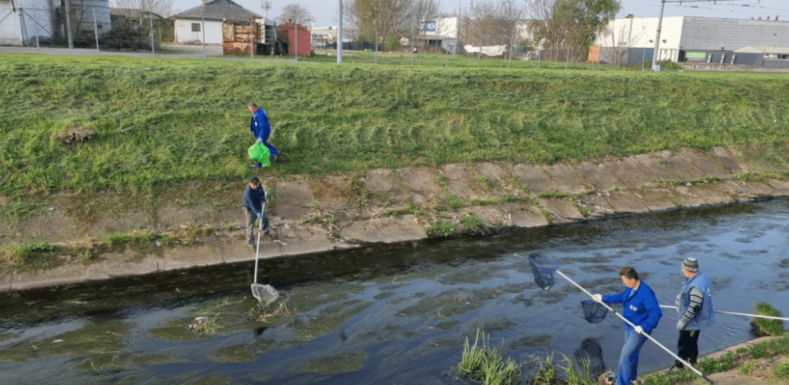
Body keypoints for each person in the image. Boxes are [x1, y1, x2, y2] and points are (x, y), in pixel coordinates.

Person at [593, 267, 662, 385]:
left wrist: (644, 327)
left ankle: (622, 382)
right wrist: (603, 298)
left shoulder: (646, 293)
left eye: (625, 280)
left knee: (625, 356)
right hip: (629, 327)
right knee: (632, 354)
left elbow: (656, 313)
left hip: (639, 330)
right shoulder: (630, 288)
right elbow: (621, 297)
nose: (623, 283)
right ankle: (632, 379)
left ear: (633, 279)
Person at [668, 257, 715, 372]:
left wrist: (683, 321)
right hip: (697, 321)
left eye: (683, 268)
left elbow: (694, 307)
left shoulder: (695, 286)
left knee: (684, 343)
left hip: (692, 322)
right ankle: (692, 362)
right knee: (692, 342)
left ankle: (680, 367)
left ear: (688, 270)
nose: (682, 270)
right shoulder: (702, 277)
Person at [248, 102, 278, 167]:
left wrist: (260, 137)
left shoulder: (260, 114)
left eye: (250, 109)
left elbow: (263, 127)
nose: (249, 110)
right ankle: (275, 152)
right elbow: (253, 121)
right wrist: (251, 128)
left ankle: (258, 164)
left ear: (254, 108)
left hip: (263, 132)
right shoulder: (255, 112)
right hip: (258, 131)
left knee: (260, 147)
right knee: (263, 145)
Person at [242, 176, 270, 247]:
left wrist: (263, 197)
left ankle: (266, 232)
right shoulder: (248, 193)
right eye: (253, 185)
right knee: (250, 225)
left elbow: (261, 191)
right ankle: (251, 241)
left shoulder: (259, 185)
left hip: (258, 206)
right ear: (250, 183)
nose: (254, 186)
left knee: (265, 219)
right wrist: (257, 213)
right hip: (250, 209)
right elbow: (252, 204)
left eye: (255, 185)